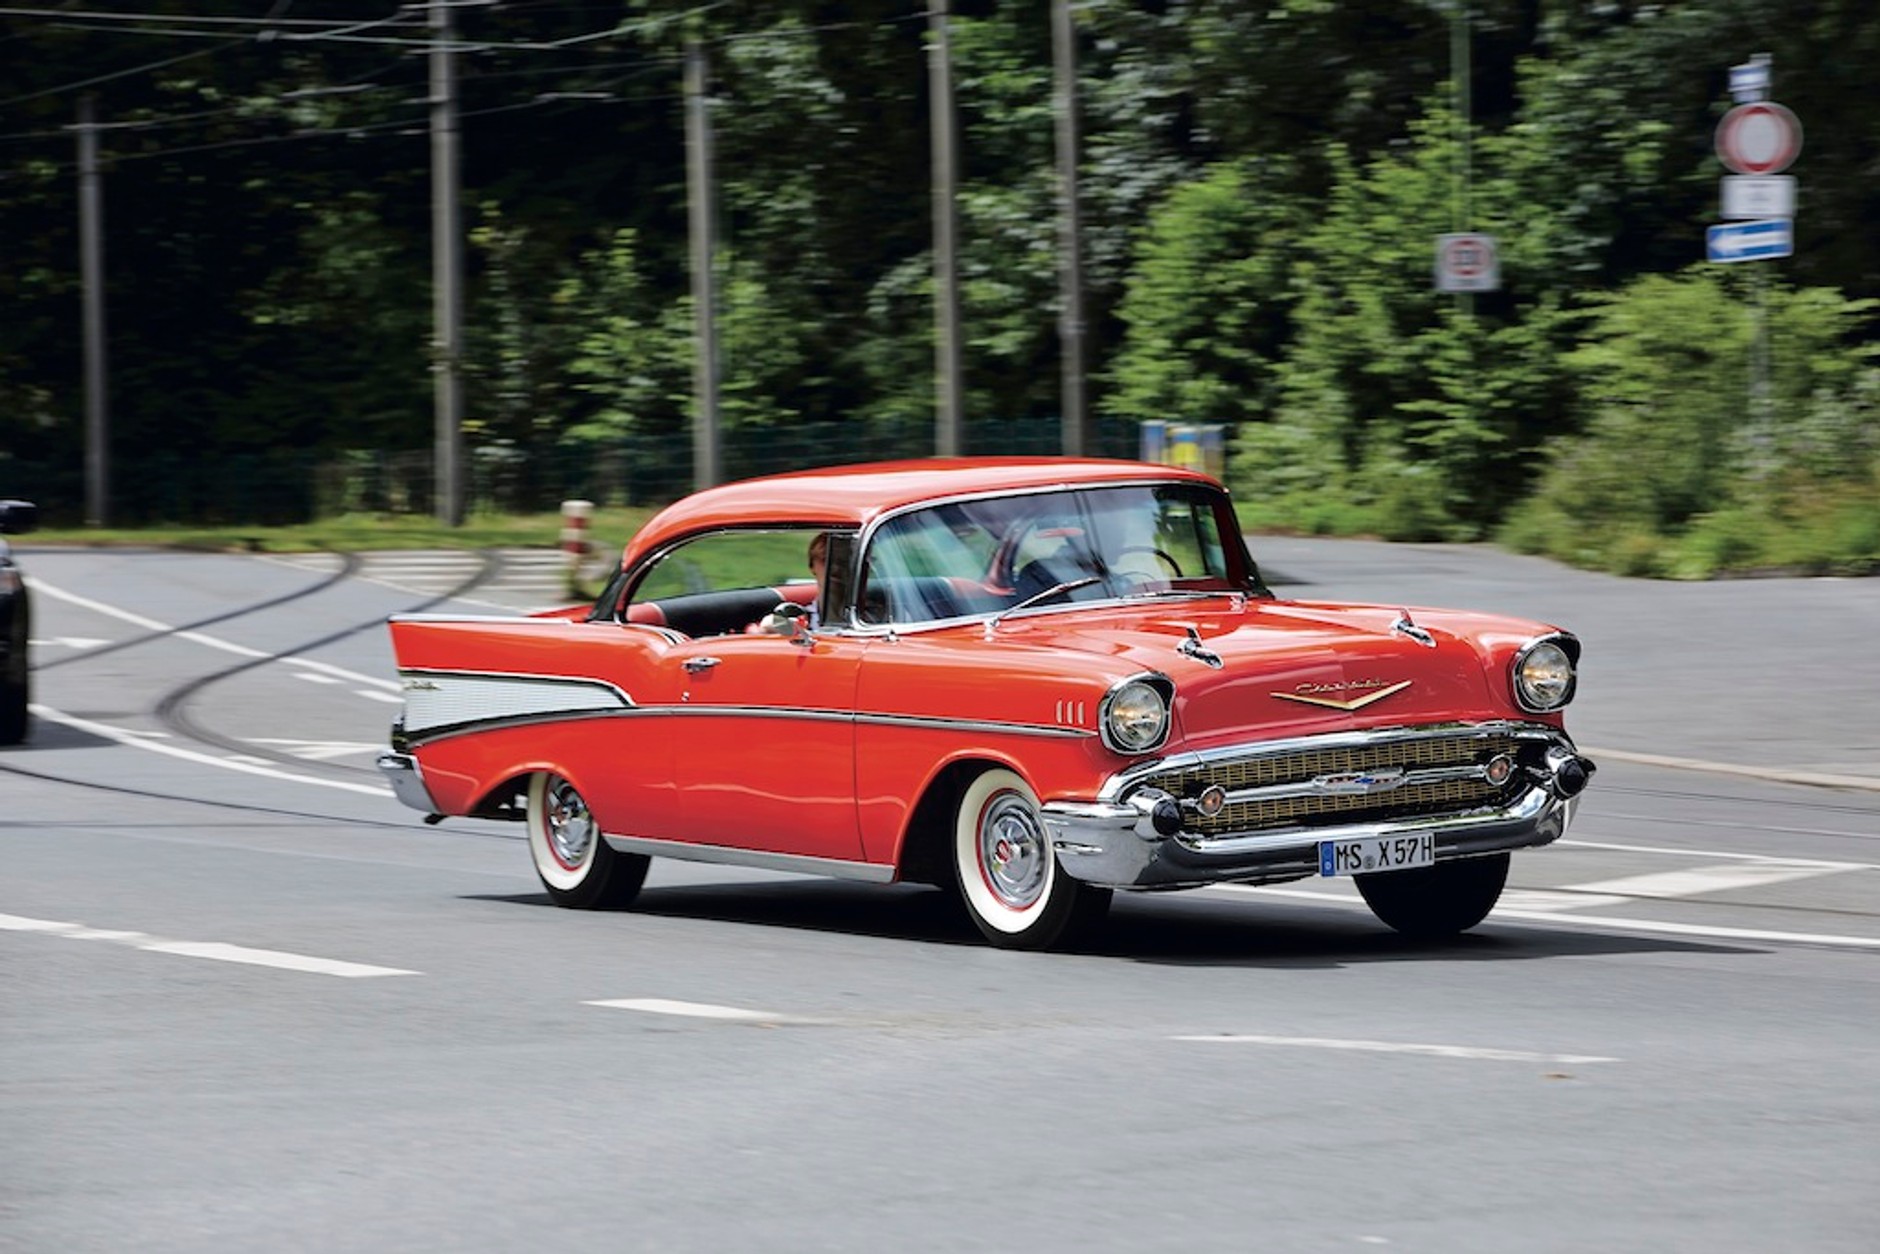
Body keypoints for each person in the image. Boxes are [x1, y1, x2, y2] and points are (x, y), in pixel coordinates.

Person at [757, 531, 828, 635]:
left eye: (843, 562)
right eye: (825, 560)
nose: (835, 568)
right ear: (812, 567)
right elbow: (767, 625)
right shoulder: (805, 617)